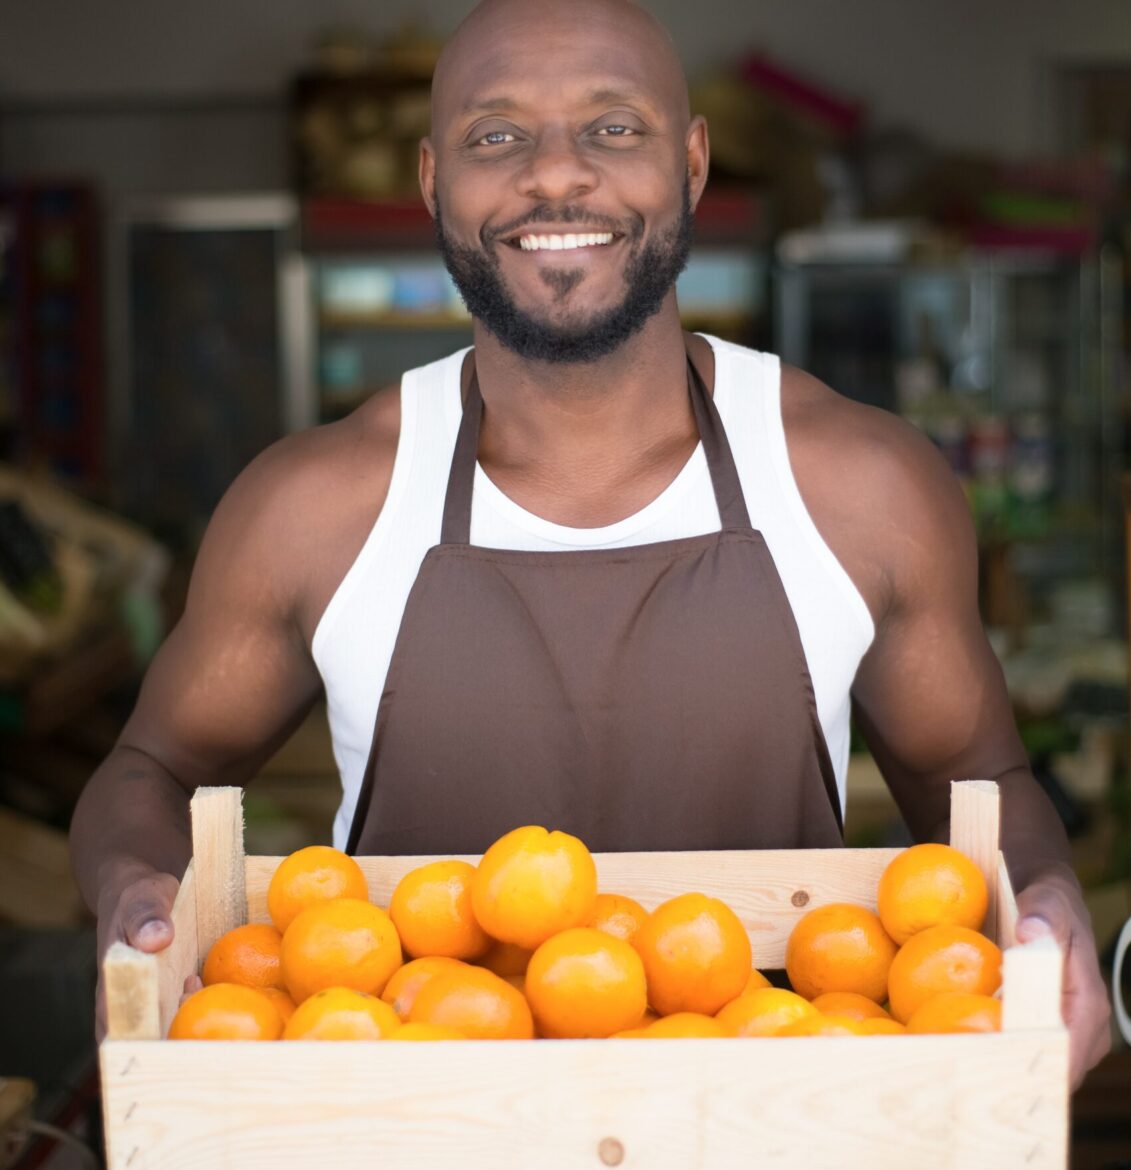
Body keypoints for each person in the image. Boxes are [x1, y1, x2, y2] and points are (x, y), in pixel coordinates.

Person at [71, 0, 1110, 1083]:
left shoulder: (864, 487)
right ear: (433, 180)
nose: (556, 176)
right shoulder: (312, 506)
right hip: (402, 1134)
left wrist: (1050, 909)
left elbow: (982, 782)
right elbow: (146, 773)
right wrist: (135, 901)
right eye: (497, 136)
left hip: (779, 1128)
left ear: (694, 164)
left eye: (614, 128)